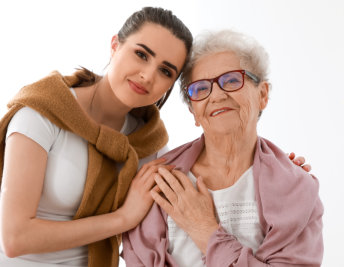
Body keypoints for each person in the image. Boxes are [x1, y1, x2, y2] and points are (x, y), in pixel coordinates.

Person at [0, 7, 193, 267]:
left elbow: (165, 237)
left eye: (166, 71)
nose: (148, 75)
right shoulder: (43, 111)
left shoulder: (150, 146)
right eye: (141, 54)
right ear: (115, 46)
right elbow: (15, 238)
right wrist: (122, 219)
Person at [122, 30, 323, 266]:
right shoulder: (159, 182)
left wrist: (204, 229)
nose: (216, 95)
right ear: (193, 112)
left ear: (263, 95)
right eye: (200, 89)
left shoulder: (296, 189)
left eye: (231, 80)